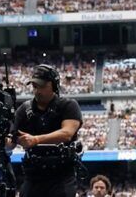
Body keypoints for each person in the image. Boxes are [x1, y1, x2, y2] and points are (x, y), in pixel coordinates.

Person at [11, 64, 83, 197]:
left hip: (61, 175)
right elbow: (10, 140)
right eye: (34, 86)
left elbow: (66, 134)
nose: (37, 90)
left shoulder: (68, 105)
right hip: (33, 175)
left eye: (42, 86)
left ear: (54, 86)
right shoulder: (23, 109)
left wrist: (35, 140)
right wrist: (4, 139)